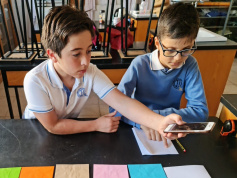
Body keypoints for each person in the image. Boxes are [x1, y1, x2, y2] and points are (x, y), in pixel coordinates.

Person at [23, 5, 185, 146]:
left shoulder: (89, 72)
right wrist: (95, 124)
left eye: (88, 51)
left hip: (67, 132)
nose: (85, 61)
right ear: (52, 55)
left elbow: (123, 103)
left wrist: (160, 122)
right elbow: (53, 126)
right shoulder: (35, 80)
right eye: (76, 54)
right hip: (36, 131)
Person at [110, 2, 208, 142]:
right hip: (140, 130)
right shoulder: (140, 64)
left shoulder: (190, 65)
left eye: (186, 49)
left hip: (169, 132)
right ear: (157, 43)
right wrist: (145, 121)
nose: (178, 58)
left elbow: (200, 112)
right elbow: (115, 107)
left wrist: (158, 120)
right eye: (171, 50)